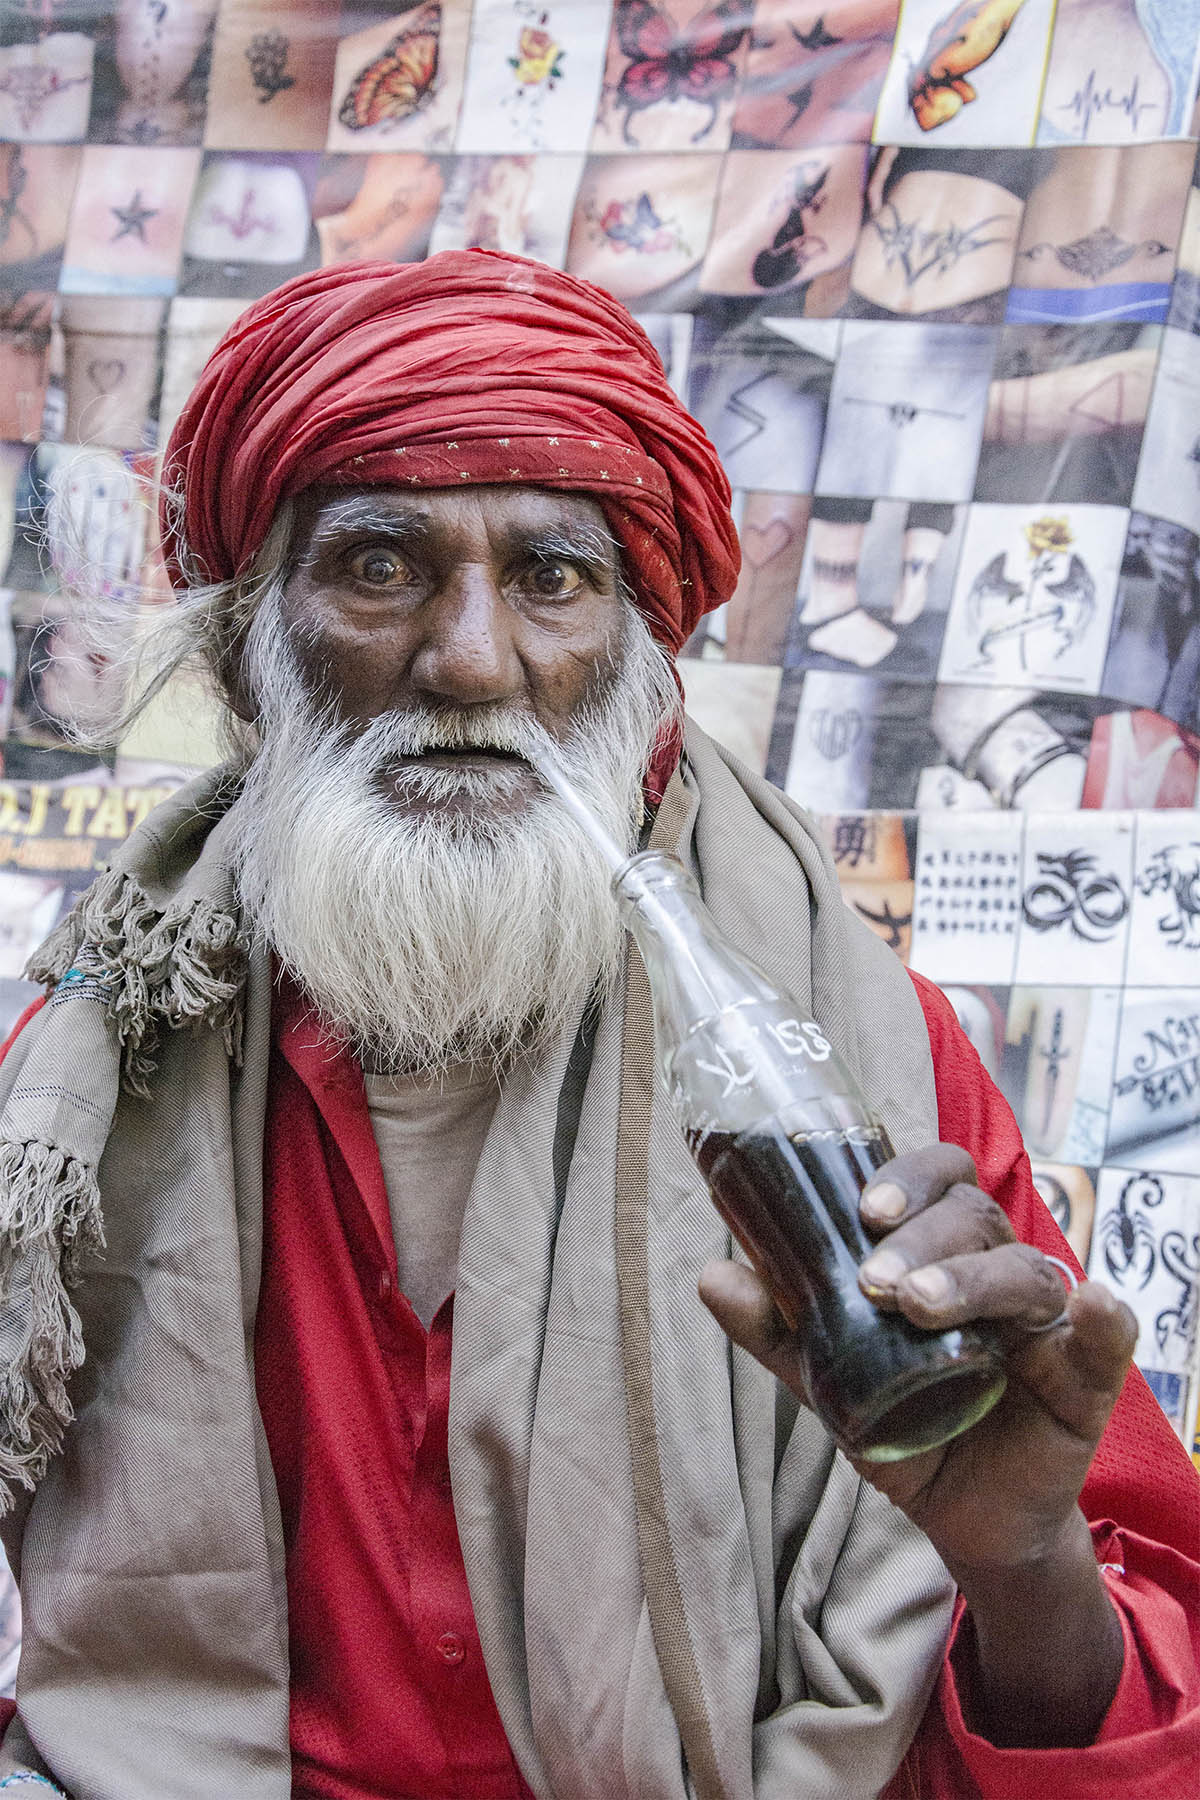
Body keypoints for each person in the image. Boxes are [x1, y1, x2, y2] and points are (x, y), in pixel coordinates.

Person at [0, 252, 1194, 1800]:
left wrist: (1020, 1562)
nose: (472, 659)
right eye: (379, 566)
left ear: (642, 655)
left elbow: (1139, 1723)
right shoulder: (85, 1075)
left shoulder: (868, 1068)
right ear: (250, 654)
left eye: (552, 580)